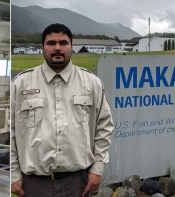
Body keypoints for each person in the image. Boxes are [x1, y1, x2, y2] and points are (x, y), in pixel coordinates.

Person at [10, 23, 114, 197]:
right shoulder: (21, 84)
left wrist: (98, 168)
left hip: (79, 182)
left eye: (63, 43)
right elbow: (11, 129)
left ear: (71, 47)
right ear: (42, 47)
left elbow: (104, 127)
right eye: (51, 43)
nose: (57, 48)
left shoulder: (91, 83)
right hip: (35, 184)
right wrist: (13, 174)